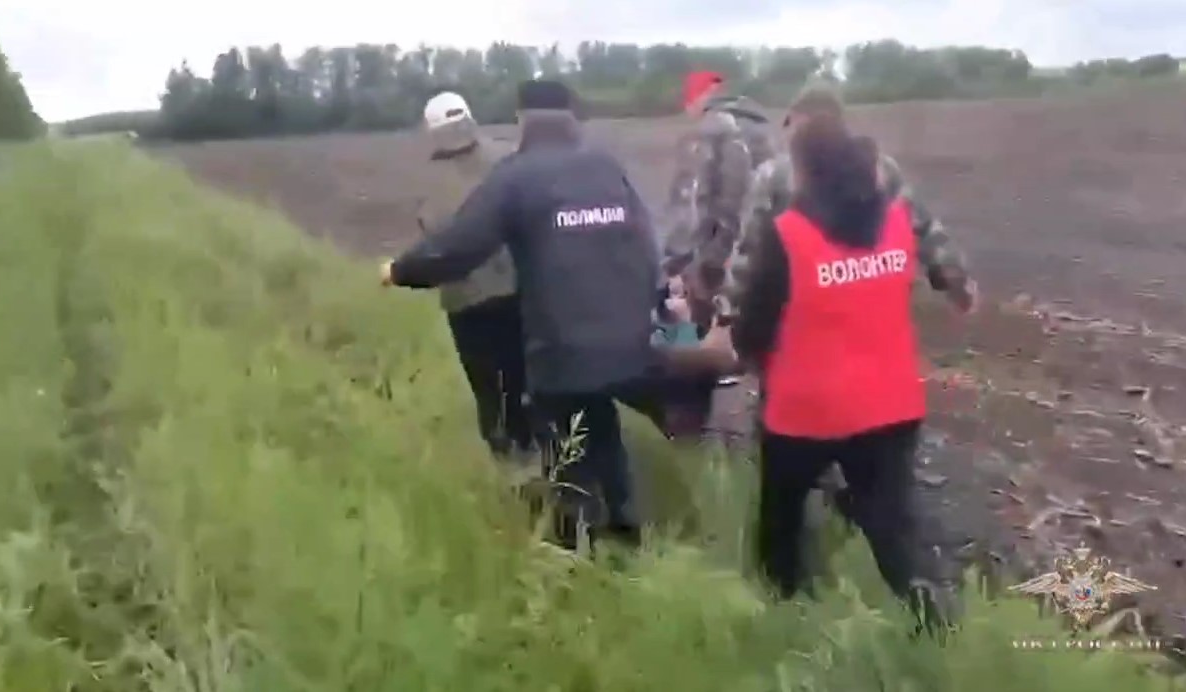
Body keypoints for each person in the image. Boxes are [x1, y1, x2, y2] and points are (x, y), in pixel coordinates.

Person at [727, 93, 976, 637]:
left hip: (805, 407)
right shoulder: (896, 218)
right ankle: (936, 628)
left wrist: (742, 346)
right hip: (890, 400)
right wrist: (954, 281)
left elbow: (751, 305)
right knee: (894, 525)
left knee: (781, 519)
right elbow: (926, 237)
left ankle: (784, 617)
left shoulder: (786, 224)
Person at [380, 79, 660, 551]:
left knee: (560, 438)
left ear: (521, 118)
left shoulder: (516, 176)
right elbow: (646, 245)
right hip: (619, 334)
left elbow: (458, 246)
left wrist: (400, 270)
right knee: (601, 423)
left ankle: (578, 547)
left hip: (554, 338)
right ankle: (627, 533)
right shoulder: (605, 166)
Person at [413, 90, 533, 461]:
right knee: (522, 376)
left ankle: (503, 454)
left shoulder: (430, 179)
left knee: (485, 385)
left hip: (465, 299)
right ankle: (532, 447)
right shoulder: (510, 156)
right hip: (519, 288)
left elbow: (432, 234)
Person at [661, 70, 776, 355]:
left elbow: (693, 203)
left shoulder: (710, 130)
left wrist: (680, 262)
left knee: (702, 344)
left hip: (716, 260)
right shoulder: (761, 131)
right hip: (758, 257)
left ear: (699, 98)